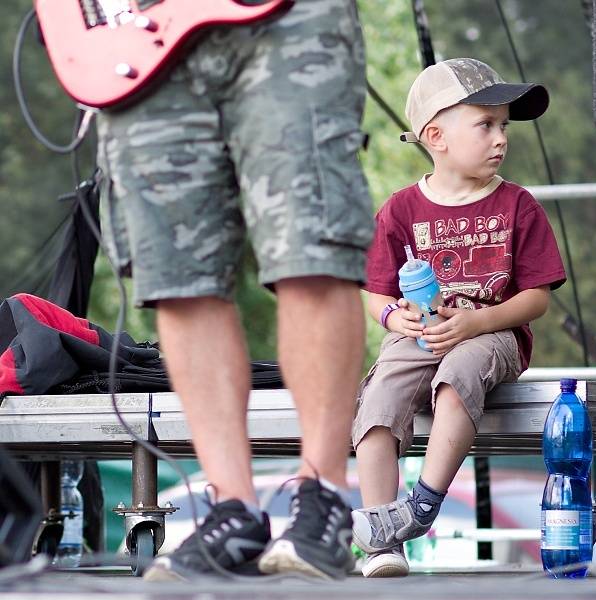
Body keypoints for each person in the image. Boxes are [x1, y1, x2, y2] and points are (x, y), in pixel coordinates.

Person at [95, 0, 373, 581]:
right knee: (178, 275)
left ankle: (323, 499)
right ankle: (233, 508)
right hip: (135, 32)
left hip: (285, 19)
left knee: (311, 247)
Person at [350, 58, 566, 577]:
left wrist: (476, 323)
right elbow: (373, 292)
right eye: (485, 125)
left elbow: (537, 298)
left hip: (491, 333)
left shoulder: (518, 205)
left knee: (458, 374)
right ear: (436, 136)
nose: (501, 138)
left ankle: (423, 505)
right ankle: (382, 539)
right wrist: (391, 317)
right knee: (378, 399)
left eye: (504, 126)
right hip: (420, 335)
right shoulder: (400, 210)